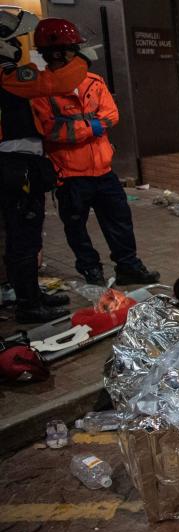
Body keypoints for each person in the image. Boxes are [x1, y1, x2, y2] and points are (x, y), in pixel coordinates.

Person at [29, 19, 159, 287]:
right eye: (69, 49)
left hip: (103, 170)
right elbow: (51, 130)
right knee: (76, 227)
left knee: (119, 221)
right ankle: (91, 270)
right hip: (69, 174)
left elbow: (111, 115)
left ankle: (128, 267)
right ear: (56, 52)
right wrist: (93, 126)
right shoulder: (40, 90)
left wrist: (83, 127)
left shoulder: (93, 82)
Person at [1, 11, 85, 323]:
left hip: (22, 164)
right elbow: (54, 81)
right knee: (23, 235)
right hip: (14, 166)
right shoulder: (6, 75)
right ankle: (27, 303)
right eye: (11, 39)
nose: (16, 45)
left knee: (29, 233)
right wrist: (79, 60)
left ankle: (31, 294)